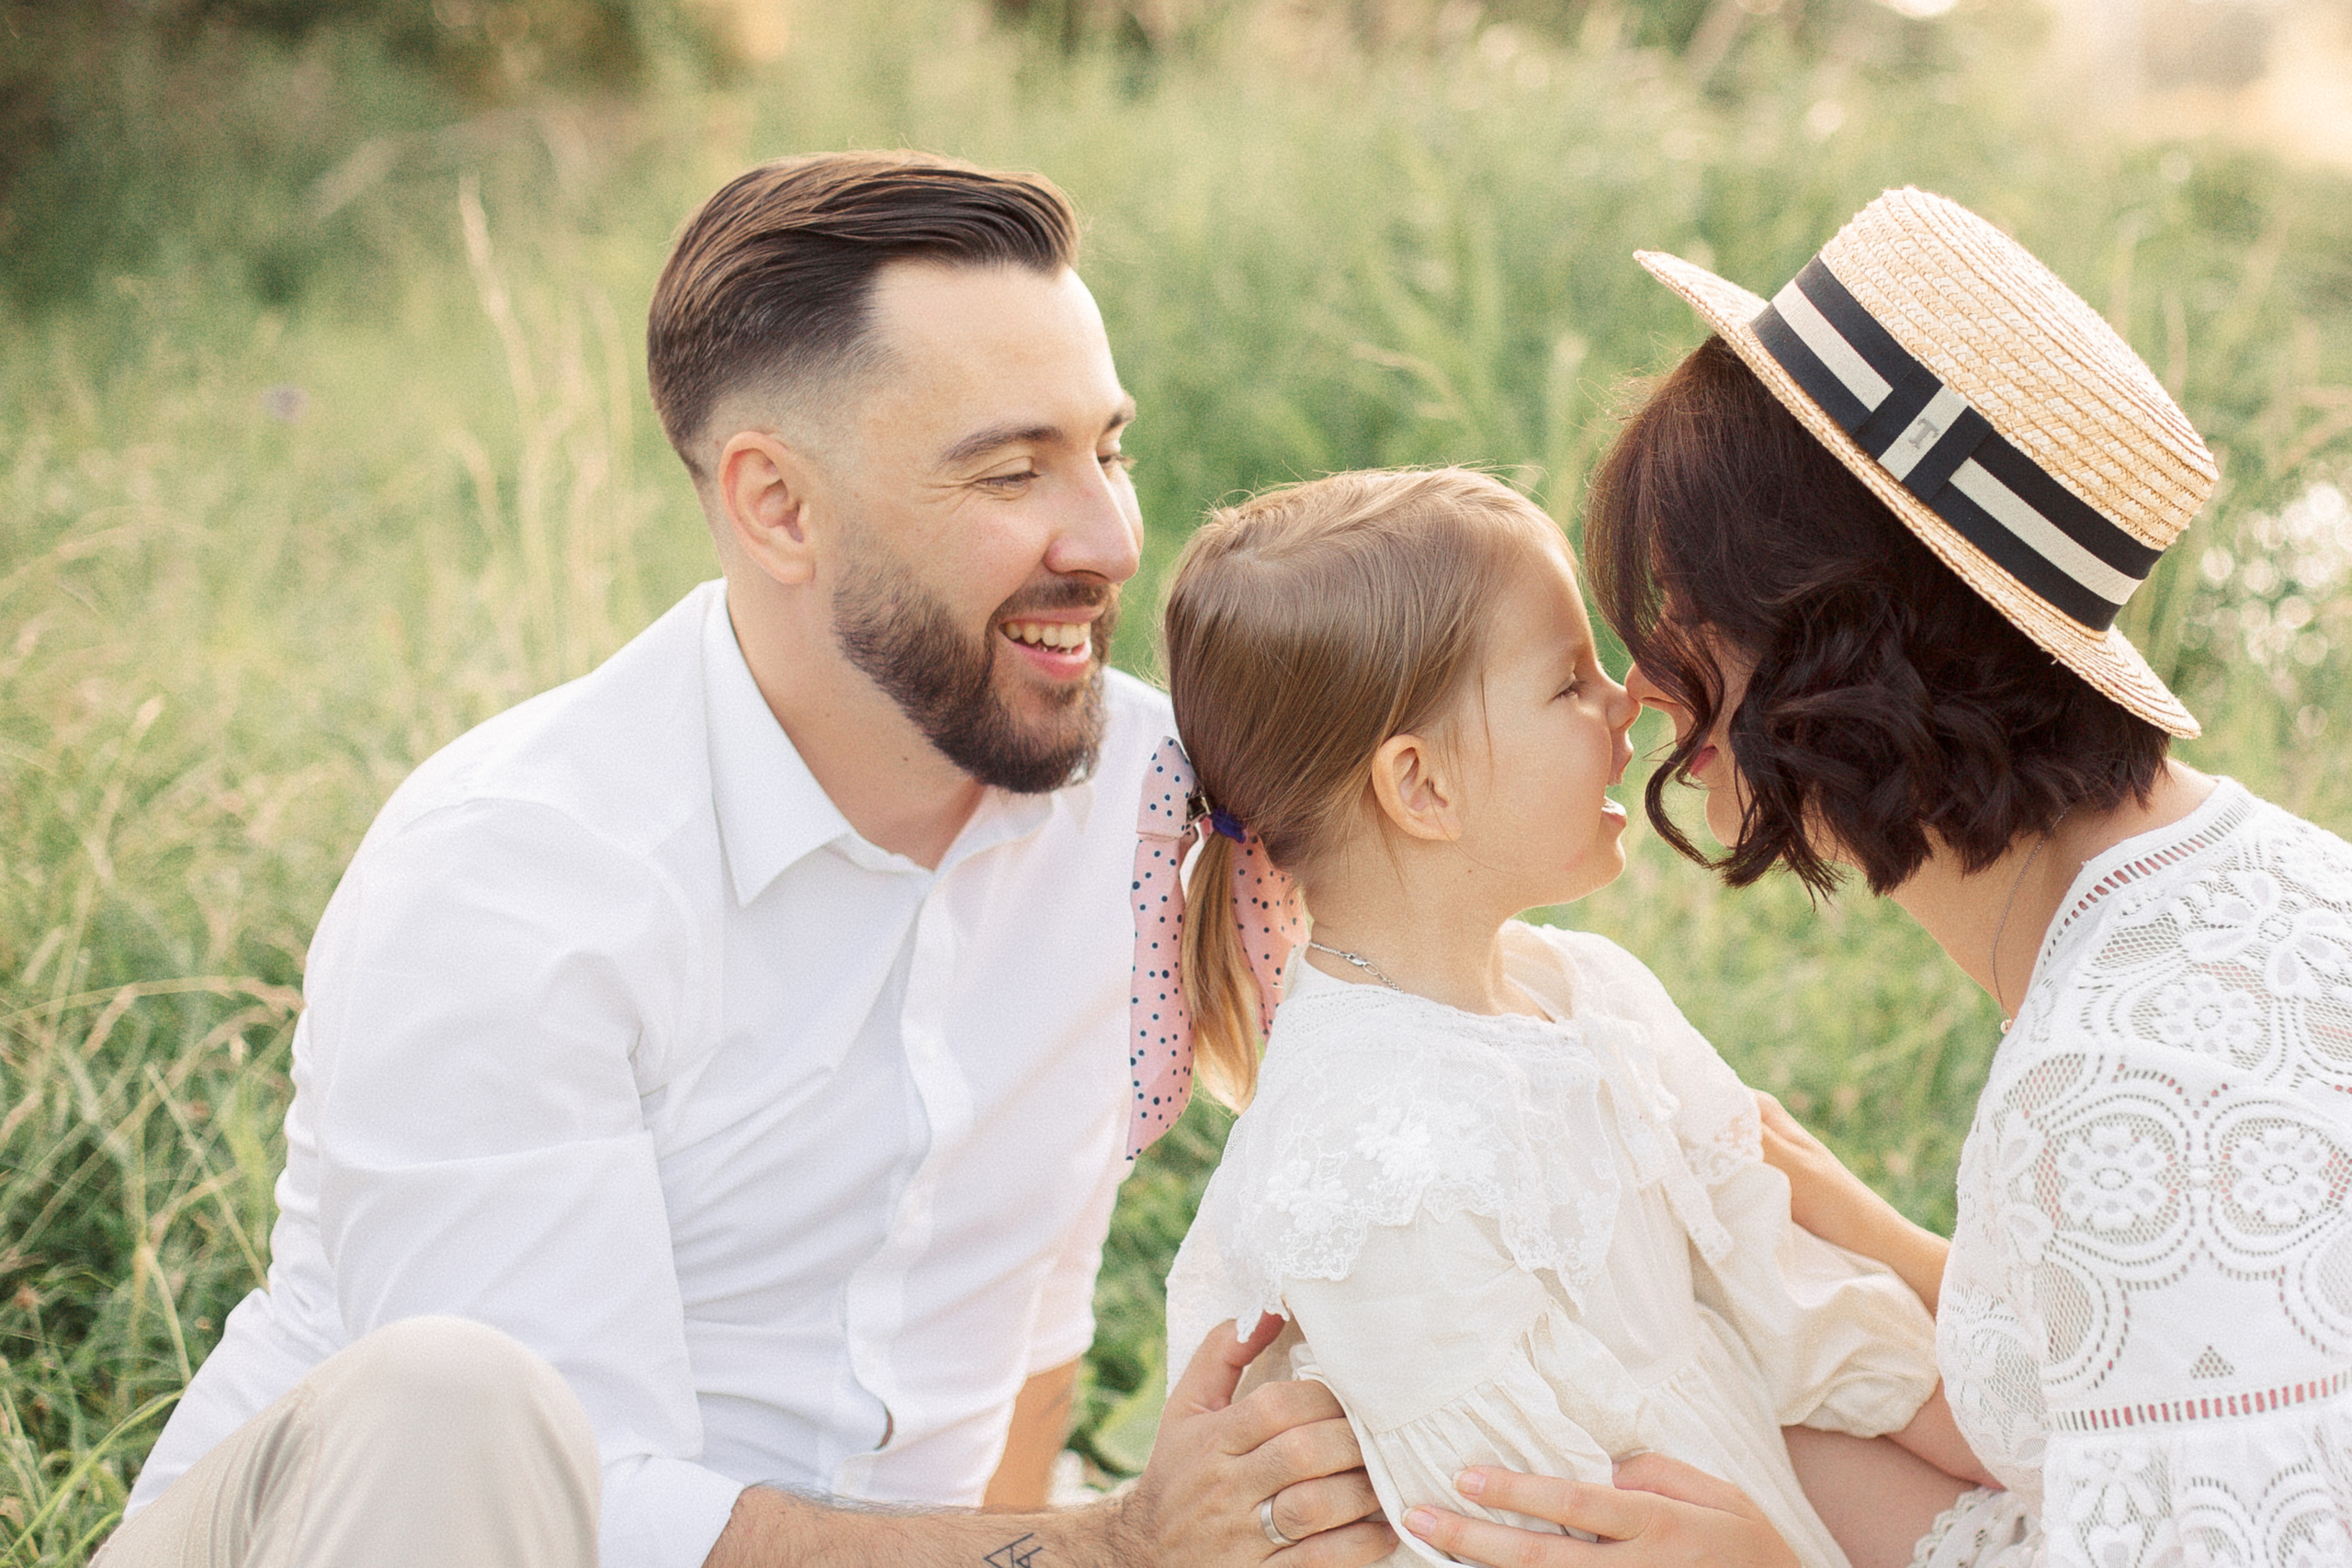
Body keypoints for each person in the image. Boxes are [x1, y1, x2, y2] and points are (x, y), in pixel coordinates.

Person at [98, 152, 1391, 1568]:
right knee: (455, 1390)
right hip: (402, 1531)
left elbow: (1026, 1312)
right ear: (778, 506)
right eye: (1014, 470)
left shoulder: (1136, 808)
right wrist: (1113, 1543)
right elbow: (578, 1507)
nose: (1109, 536)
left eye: (1111, 449)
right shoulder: (510, 876)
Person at [1404, 188, 2352, 1568]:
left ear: (1825, 645)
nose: (1636, 690)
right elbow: (2159, 1354)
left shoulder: (2130, 1086)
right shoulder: (2252, 874)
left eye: (1679, 622)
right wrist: (1885, 1236)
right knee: (1731, 1403)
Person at [1142, 466, 1995, 1568]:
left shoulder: (1580, 986)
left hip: (1743, 1488)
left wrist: (2014, 1443)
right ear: (1422, 788)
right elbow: (1513, 1525)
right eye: (1567, 683)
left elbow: (1767, 1284)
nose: (1627, 701)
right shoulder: (1373, 1163)